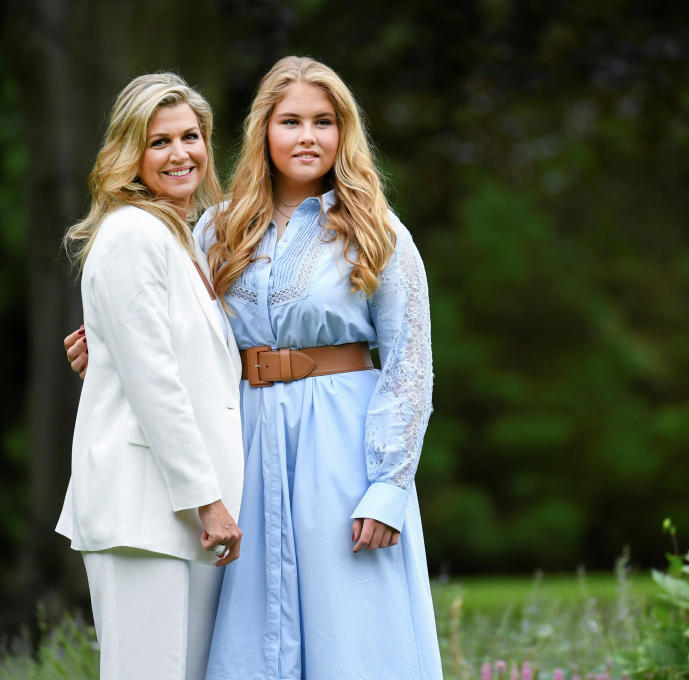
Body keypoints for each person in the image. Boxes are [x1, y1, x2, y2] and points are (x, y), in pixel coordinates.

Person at [66, 56, 442, 679]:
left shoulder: (381, 234)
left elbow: (410, 368)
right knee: (248, 628)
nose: (307, 137)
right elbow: (169, 330)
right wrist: (104, 348)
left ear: (344, 133)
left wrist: (389, 486)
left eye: (324, 122)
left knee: (346, 628)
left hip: (340, 447)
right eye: (290, 121)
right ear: (263, 130)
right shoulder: (218, 228)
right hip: (245, 443)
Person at [57, 73, 244, 680]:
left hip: (177, 514)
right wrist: (209, 504)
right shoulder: (132, 235)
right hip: (145, 508)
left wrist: (103, 360)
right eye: (159, 141)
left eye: (190, 136)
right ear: (130, 153)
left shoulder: (184, 240)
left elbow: (173, 363)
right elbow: (155, 383)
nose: (180, 153)